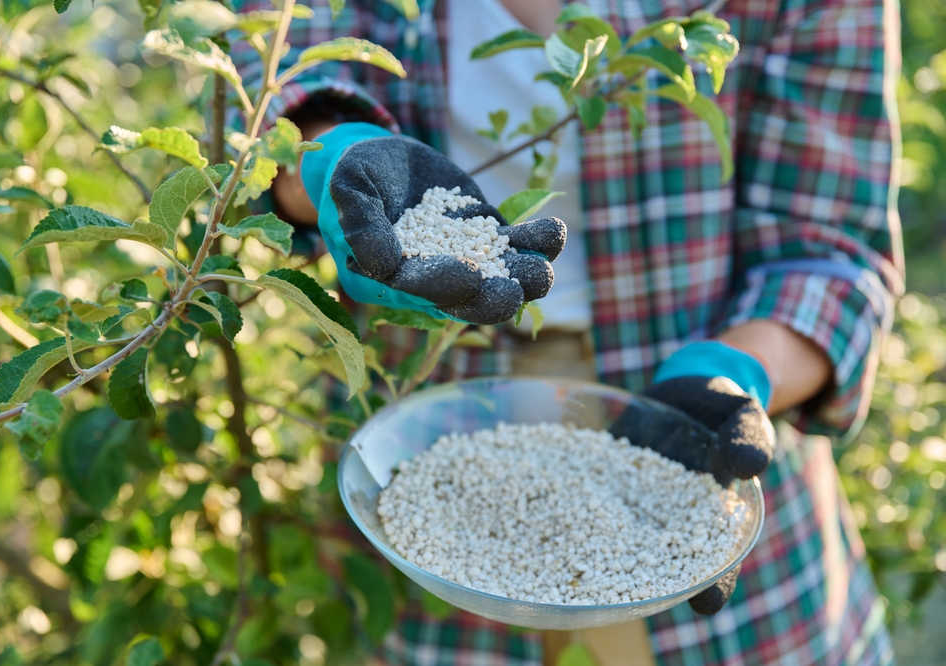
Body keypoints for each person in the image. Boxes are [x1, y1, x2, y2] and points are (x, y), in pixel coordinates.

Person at [232, 0, 904, 662]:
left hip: (689, 430)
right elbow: (281, 80)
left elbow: (831, 252)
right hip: (423, 430)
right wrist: (330, 161)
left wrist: (738, 370)